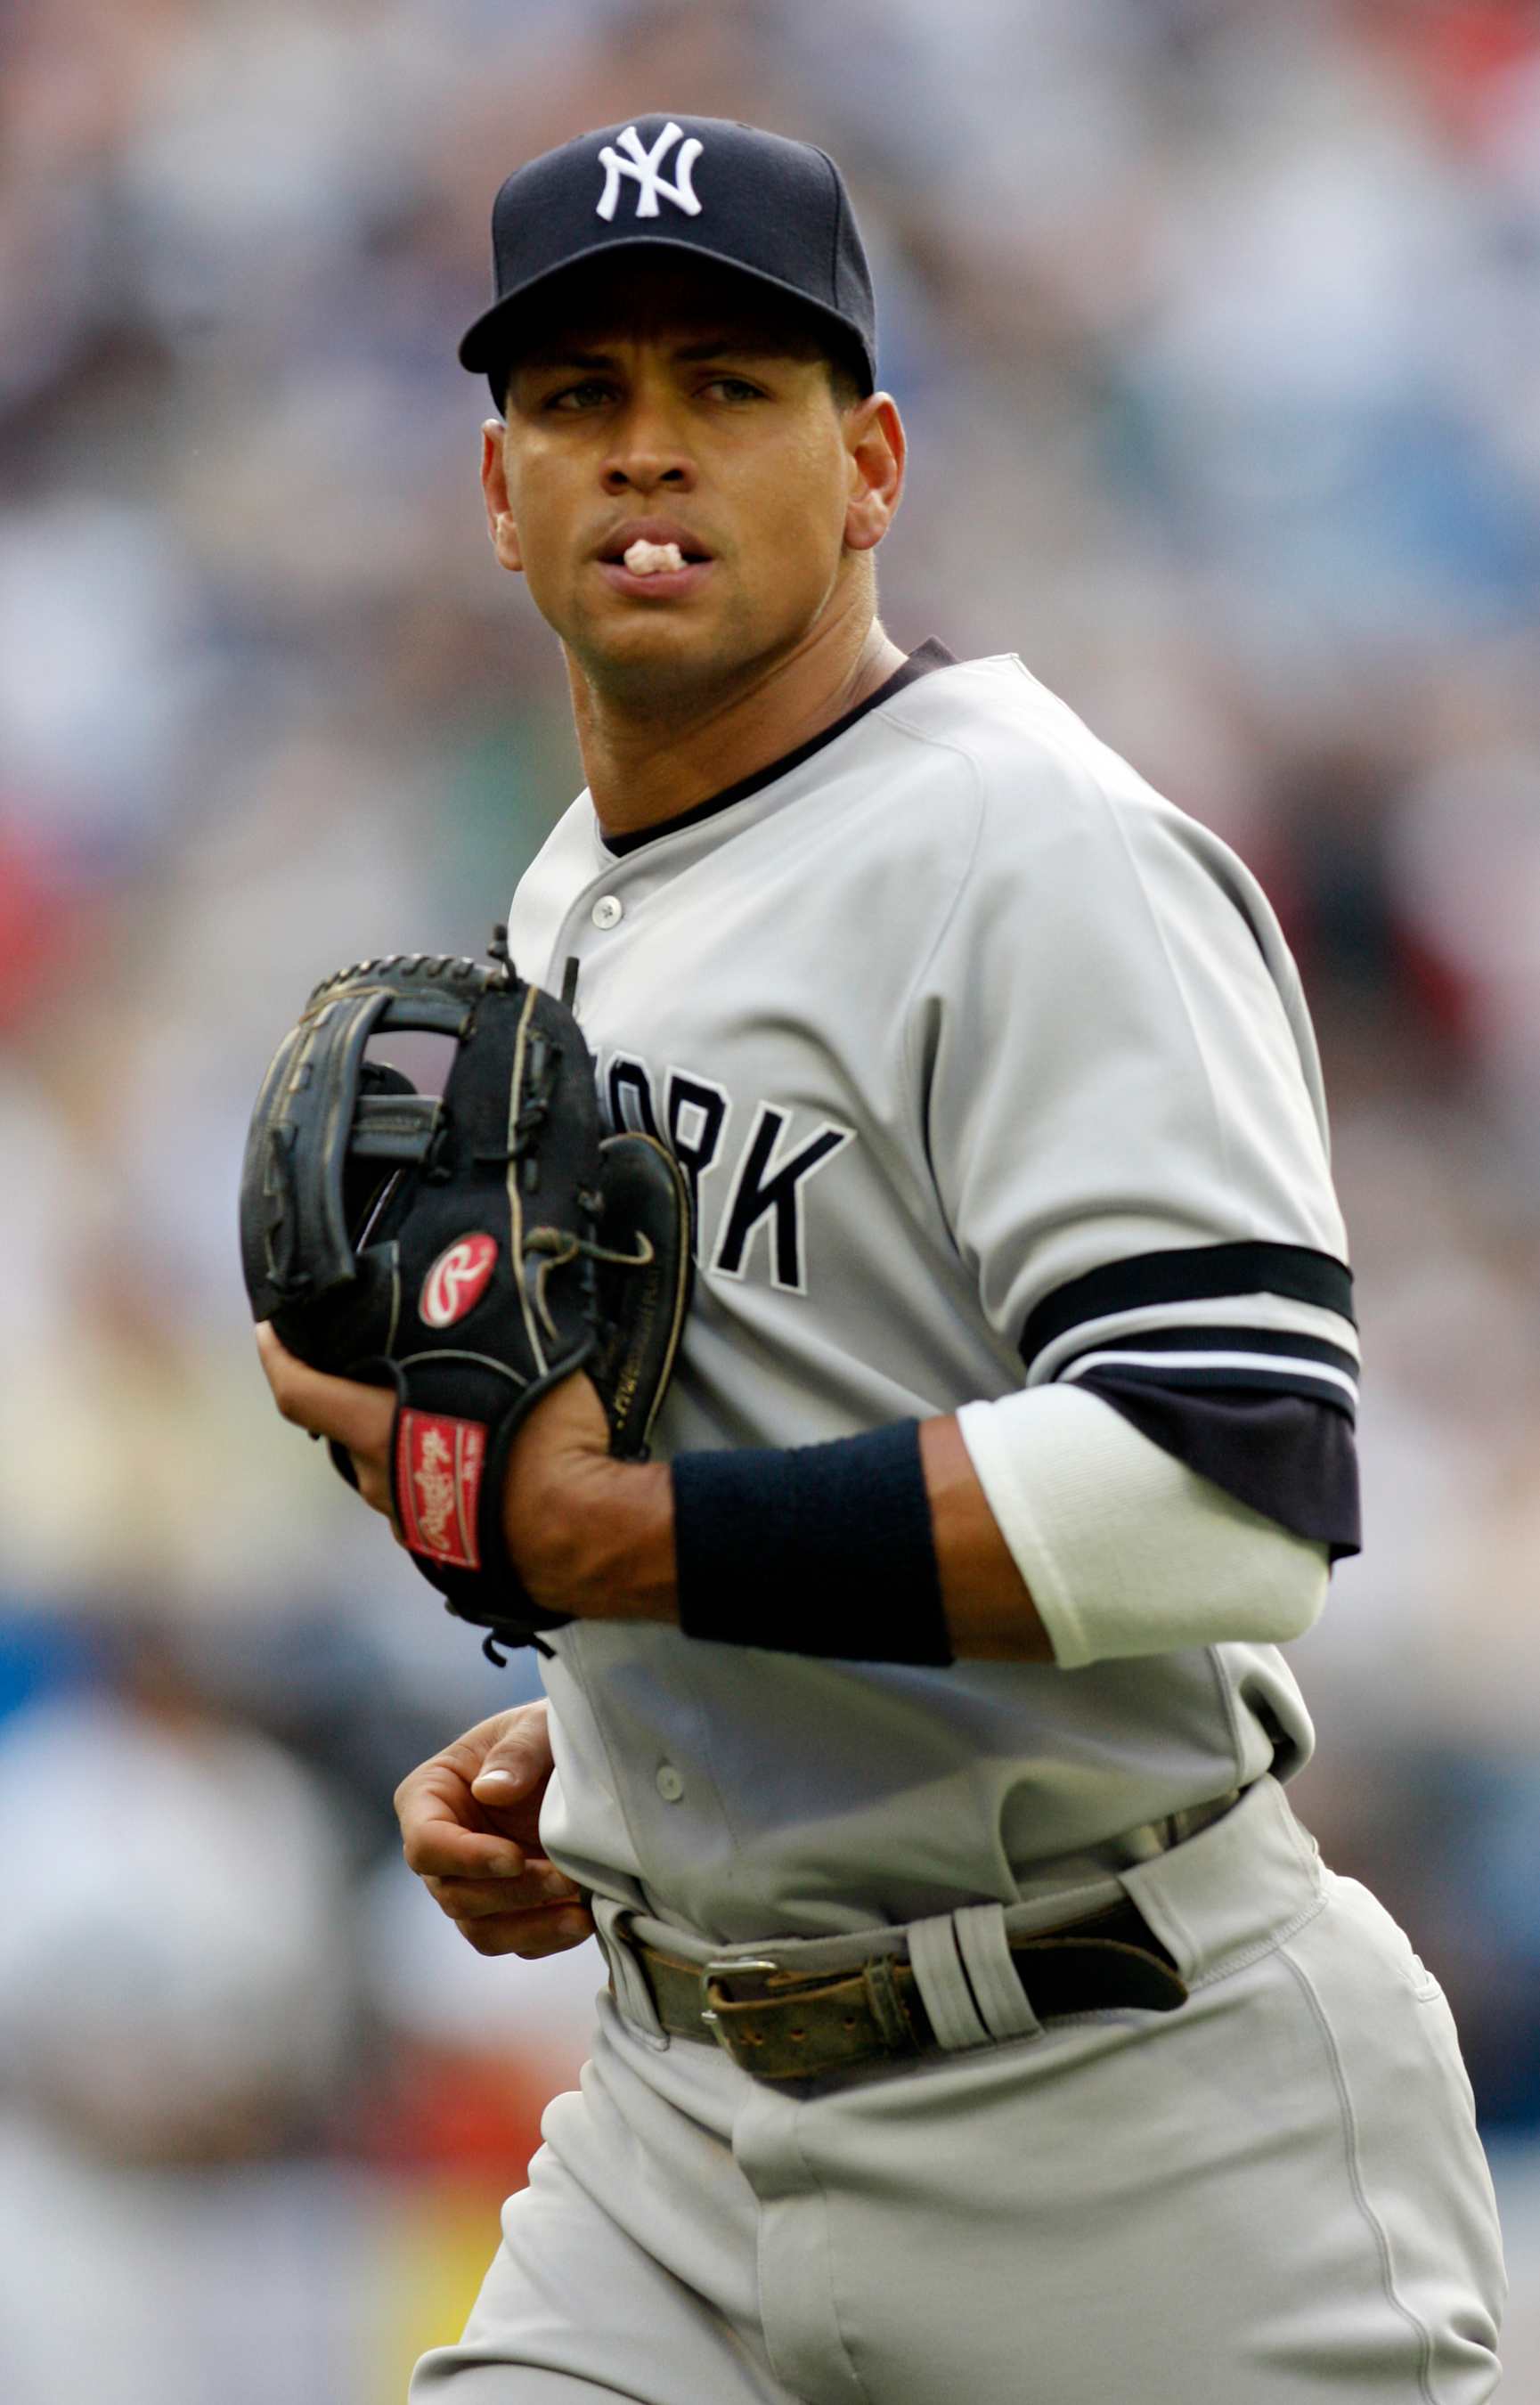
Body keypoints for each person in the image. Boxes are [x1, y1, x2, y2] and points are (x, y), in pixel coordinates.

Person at [258, 116, 1506, 2401]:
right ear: (496, 487)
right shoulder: (574, 899)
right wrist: (621, 1744)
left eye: (732, 388)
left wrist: (605, 1550)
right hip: (673, 2126)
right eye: (579, 397)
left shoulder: (1035, 851)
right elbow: (804, 1452)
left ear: (872, 464)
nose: (649, 453)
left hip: (1131, 2125)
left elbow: (1218, 1479)